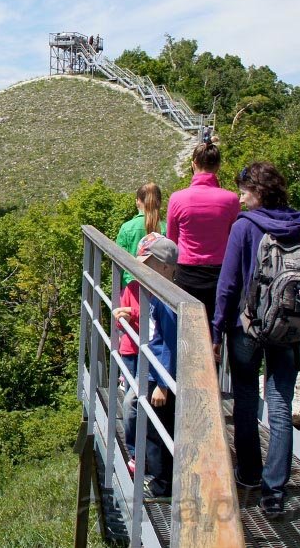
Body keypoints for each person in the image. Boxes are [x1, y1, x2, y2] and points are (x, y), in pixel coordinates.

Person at [213, 161, 300, 520]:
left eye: (245, 191)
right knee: (279, 404)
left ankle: (249, 474)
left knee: (246, 398)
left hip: (246, 327)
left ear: (259, 192)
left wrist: (217, 330)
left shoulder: (244, 226)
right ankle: (274, 492)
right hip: (289, 330)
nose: (240, 198)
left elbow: (228, 284)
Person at [114, 234, 179, 498]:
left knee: (158, 432)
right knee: (153, 427)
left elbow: (171, 345)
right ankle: (160, 479)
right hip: (154, 370)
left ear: (164, 267)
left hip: (159, 375)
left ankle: (162, 486)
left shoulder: (167, 300)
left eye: (147, 265)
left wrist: (163, 384)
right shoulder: (161, 294)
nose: (141, 271)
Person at [113, 184, 166, 466]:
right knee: (156, 341)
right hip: (160, 294)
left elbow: (119, 261)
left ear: (137, 202)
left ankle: (136, 451)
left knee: (134, 346)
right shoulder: (166, 227)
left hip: (132, 293)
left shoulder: (127, 228)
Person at [166, 134, 238, 327]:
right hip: (220, 274)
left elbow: (172, 239)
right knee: (216, 327)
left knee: (188, 327)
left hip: (186, 273)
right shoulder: (231, 200)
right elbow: (234, 238)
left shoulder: (177, 198)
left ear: (193, 164)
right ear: (218, 166)